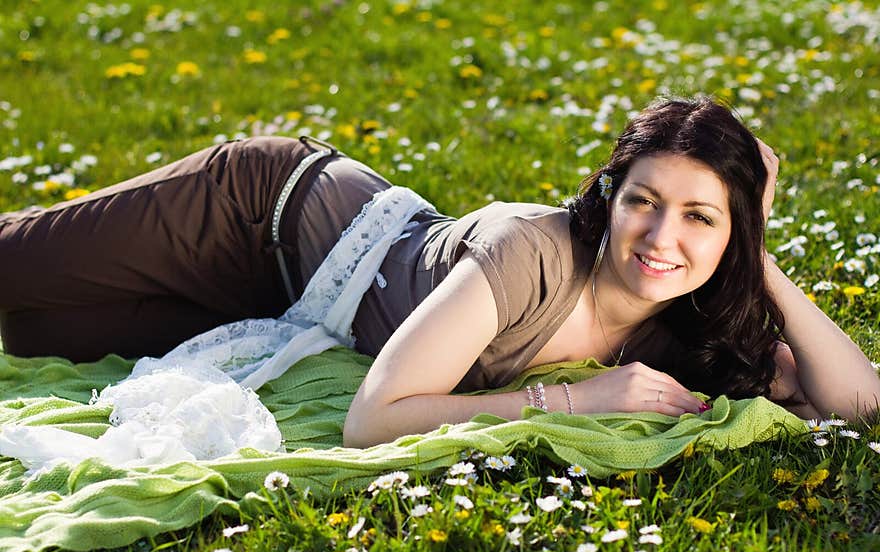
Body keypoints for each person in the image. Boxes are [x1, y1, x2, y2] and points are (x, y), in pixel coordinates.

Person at [1, 95, 877, 450]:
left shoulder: (683, 316)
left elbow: (859, 402)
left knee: (32, 331)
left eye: (701, 217)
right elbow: (372, 421)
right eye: (643, 201)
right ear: (609, 196)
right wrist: (574, 400)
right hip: (257, 212)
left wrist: (755, 256)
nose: (659, 236)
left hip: (282, 302)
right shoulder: (533, 254)